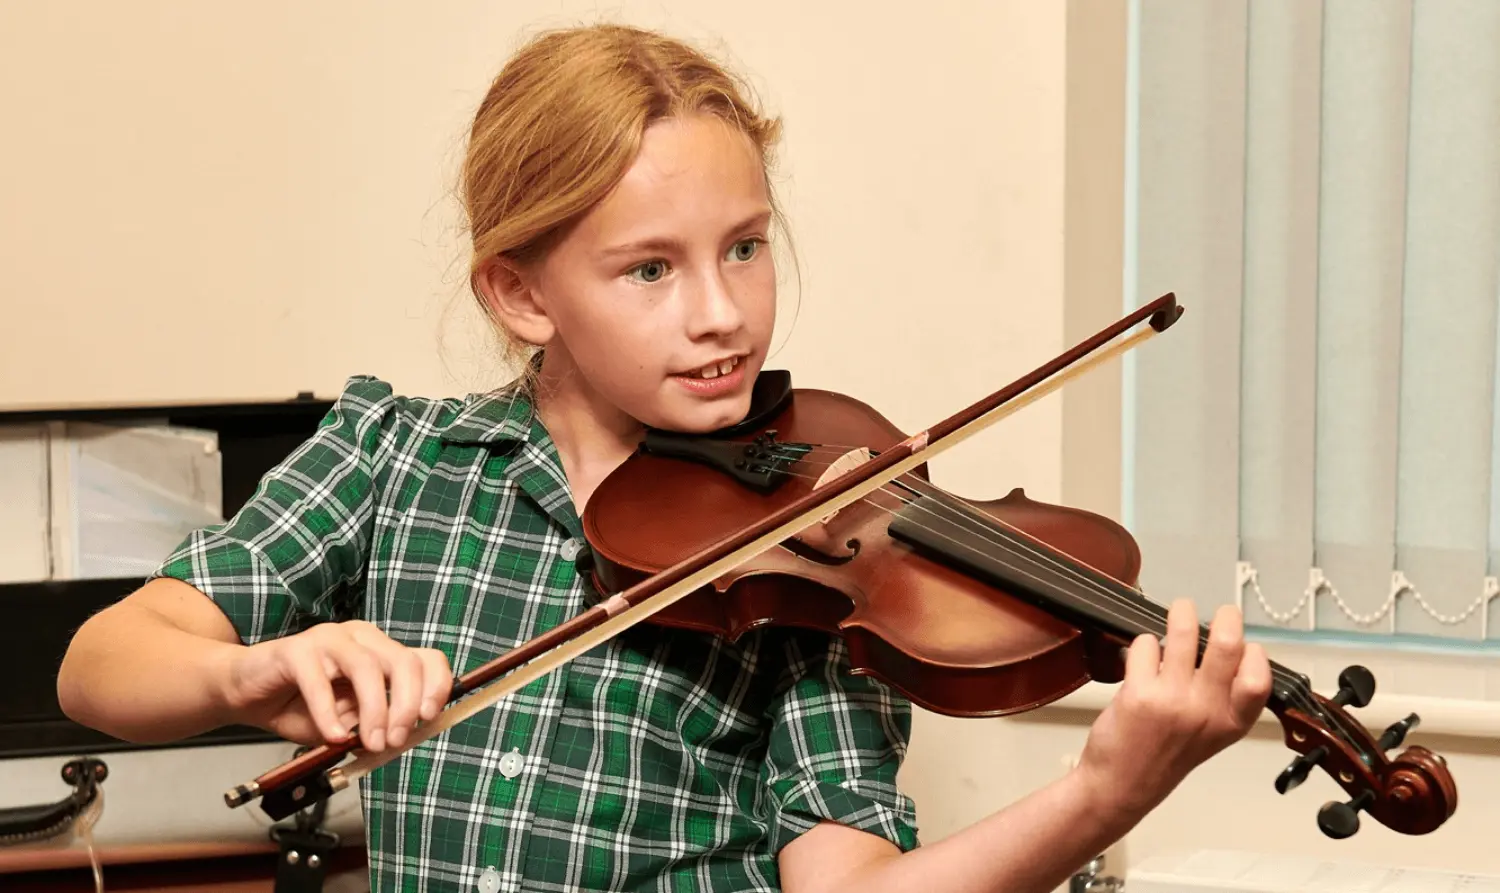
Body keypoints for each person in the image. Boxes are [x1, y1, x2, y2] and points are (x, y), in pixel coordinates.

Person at [55, 22, 1272, 893]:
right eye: (651, 268)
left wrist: (1103, 793)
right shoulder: (394, 453)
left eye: (745, 246)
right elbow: (101, 667)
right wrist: (254, 669)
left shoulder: (817, 554)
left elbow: (851, 882)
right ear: (521, 293)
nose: (723, 314)